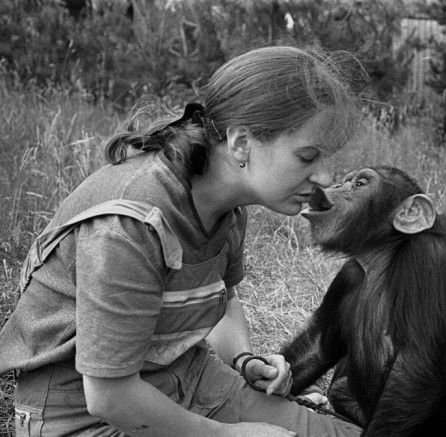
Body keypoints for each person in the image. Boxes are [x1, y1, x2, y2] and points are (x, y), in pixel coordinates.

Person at [0, 45, 362, 436]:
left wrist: (242, 359)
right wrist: (223, 435)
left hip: (186, 378)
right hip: (81, 416)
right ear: (241, 144)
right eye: (308, 157)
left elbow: (224, 300)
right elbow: (108, 396)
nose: (326, 178)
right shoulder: (131, 225)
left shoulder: (229, 205)